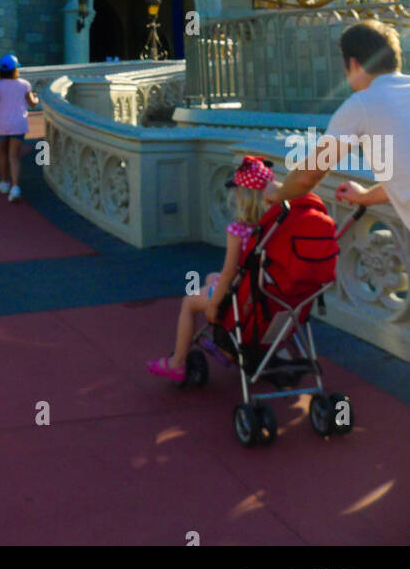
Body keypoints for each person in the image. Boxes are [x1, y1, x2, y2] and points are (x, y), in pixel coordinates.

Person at [268, 20, 410, 229]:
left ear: (353, 64)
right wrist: (366, 196)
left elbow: (309, 175)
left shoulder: (362, 104)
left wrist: (277, 193)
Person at [147, 157, 278, 383]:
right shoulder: (274, 226)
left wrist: (215, 305)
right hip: (266, 291)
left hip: (241, 298)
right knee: (210, 278)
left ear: (240, 198)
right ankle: (225, 346)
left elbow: (229, 273)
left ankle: (177, 363)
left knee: (189, 302)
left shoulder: (238, 230)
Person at [0, 53, 39, 202]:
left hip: (2, 123)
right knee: (14, 156)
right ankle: (15, 186)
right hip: (19, 123)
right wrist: (36, 97)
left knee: (3, 153)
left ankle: (4, 182)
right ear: (16, 69)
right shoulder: (24, 84)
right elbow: (33, 103)